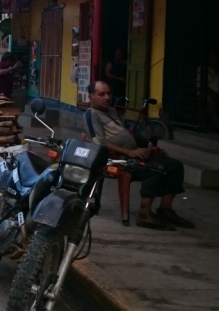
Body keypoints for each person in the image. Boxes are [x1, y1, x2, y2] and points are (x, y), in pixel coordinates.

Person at [83, 81, 194, 230]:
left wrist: (150, 147)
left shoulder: (110, 111)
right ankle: (144, 214)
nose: (107, 97)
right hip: (119, 160)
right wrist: (130, 152)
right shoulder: (91, 114)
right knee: (156, 168)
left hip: (134, 154)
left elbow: (127, 134)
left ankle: (165, 210)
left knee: (175, 166)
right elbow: (99, 142)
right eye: (101, 94)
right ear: (91, 97)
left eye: (109, 93)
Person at [206, 50, 219, 128]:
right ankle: (216, 123)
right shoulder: (203, 70)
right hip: (211, 95)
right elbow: (202, 88)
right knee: (209, 100)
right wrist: (216, 96)